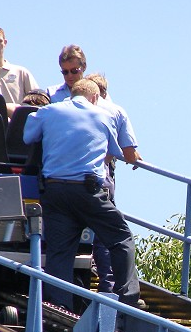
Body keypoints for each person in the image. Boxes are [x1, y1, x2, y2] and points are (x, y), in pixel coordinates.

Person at [22, 79, 144, 311]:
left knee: (60, 252)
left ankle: (59, 309)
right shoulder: (104, 116)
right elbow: (117, 152)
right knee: (121, 237)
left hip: (54, 190)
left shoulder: (48, 111)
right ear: (95, 98)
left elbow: (28, 137)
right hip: (88, 192)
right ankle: (128, 297)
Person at [84, 73, 142, 294]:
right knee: (109, 235)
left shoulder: (72, 108)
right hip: (101, 178)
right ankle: (111, 288)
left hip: (70, 179)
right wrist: (136, 156)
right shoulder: (114, 111)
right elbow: (128, 153)